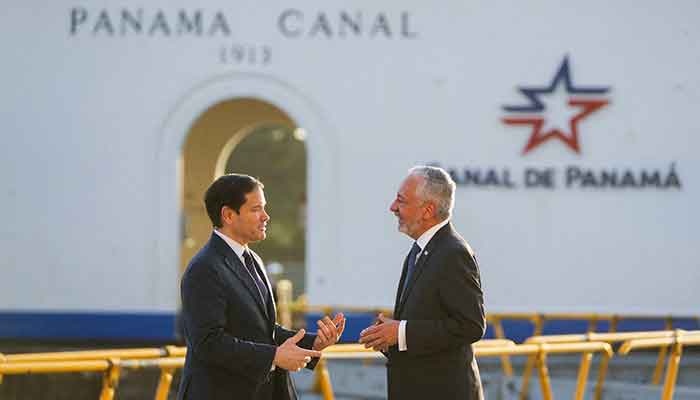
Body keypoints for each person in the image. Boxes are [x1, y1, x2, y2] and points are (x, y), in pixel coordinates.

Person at [177, 174, 345, 400]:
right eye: (256, 209)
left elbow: (263, 330)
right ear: (228, 215)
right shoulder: (204, 268)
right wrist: (274, 356)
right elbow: (208, 343)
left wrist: (314, 342)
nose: (266, 216)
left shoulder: (253, 259)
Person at [359, 166, 486, 400]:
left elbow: (471, 325)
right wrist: (389, 336)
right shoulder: (420, 250)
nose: (392, 207)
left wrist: (402, 332)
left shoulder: (453, 253)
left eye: (401, 201)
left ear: (427, 210)